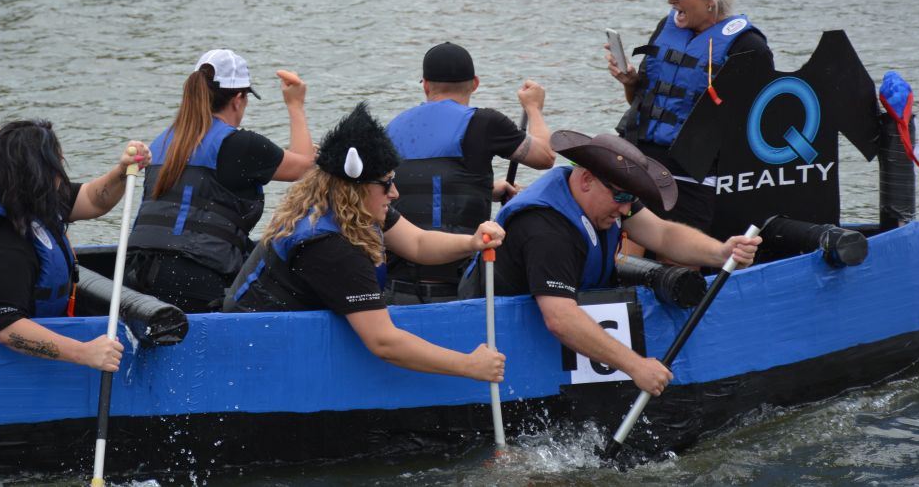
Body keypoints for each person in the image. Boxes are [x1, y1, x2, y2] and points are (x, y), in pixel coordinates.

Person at [461, 130, 759, 396]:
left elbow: (663, 234)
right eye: (622, 197)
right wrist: (636, 366)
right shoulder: (546, 229)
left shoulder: (611, 195)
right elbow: (560, 319)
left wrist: (721, 253)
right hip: (495, 331)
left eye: (632, 198)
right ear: (587, 180)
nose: (626, 209)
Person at [224, 103, 505, 383]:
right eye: (387, 183)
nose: (395, 193)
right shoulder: (329, 246)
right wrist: (469, 365)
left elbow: (418, 243)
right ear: (355, 186)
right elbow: (383, 342)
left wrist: (472, 242)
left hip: (288, 337)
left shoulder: (349, 206)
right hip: (257, 351)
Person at [0, 120, 147, 372]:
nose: (62, 167)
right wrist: (84, 353)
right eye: (57, 162)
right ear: (38, 171)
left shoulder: (27, 196)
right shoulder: (1, 239)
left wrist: (122, 171)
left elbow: (93, 201)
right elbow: (8, 329)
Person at [125, 50, 314, 313]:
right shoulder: (240, 144)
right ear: (238, 100)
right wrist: (295, 104)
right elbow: (304, 166)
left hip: (136, 275)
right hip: (194, 277)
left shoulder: (162, 142)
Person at [606, 0, 773, 237]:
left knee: (675, 254)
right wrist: (630, 82)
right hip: (639, 163)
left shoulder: (748, 47)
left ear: (711, 0)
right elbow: (639, 103)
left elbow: (758, 132)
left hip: (692, 177)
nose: (671, 0)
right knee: (625, 242)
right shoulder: (666, 27)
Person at [383, 42, 555, 303]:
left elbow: (417, 183)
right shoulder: (485, 123)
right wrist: (534, 108)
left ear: (426, 85)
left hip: (397, 287)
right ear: (475, 83)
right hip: (460, 288)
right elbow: (545, 157)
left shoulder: (391, 128)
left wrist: (485, 189)